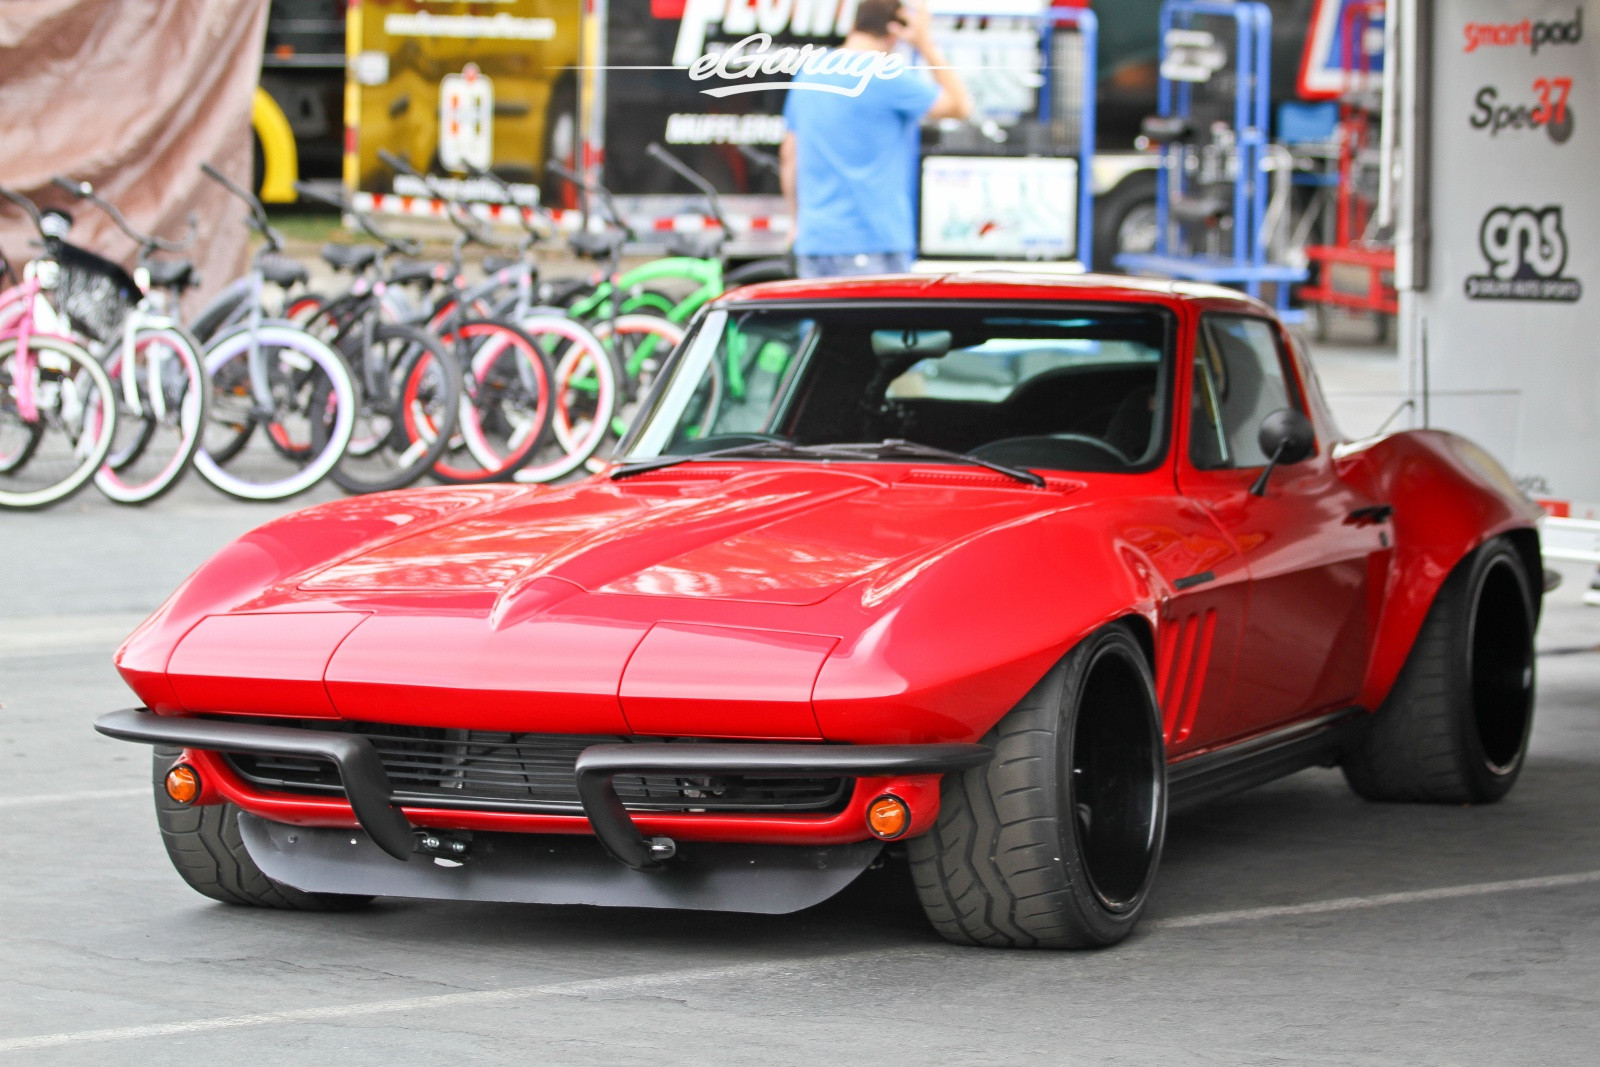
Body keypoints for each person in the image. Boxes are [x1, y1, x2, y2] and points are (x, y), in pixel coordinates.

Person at [780, 0, 972, 278]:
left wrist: (797, 222)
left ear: (854, 23)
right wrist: (926, 45)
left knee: (824, 322)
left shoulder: (810, 72)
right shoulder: (886, 75)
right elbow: (960, 106)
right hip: (872, 242)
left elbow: (789, 156)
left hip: (815, 242)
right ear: (896, 31)